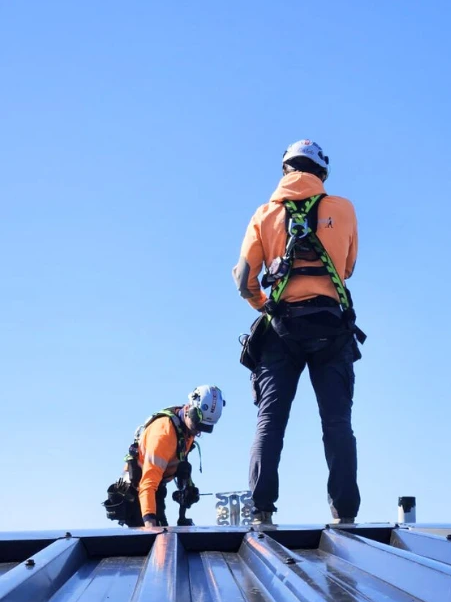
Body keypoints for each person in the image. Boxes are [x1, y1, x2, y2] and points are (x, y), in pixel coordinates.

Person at [233, 140, 364, 526]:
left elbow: (243, 279)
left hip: (281, 330)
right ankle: (345, 513)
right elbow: (350, 267)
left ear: (286, 169)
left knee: (270, 419)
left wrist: (264, 306)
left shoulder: (264, 214)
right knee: (337, 422)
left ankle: (261, 511)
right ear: (320, 173)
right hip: (330, 328)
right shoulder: (343, 209)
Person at [104, 385, 225, 528]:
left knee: (164, 535)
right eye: (197, 425)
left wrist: (188, 487)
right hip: (136, 493)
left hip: (154, 489)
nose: (198, 432)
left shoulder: (185, 429)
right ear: (189, 409)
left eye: (204, 428)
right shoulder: (164, 433)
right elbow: (147, 483)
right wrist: (150, 525)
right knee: (152, 540)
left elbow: (179, 458)